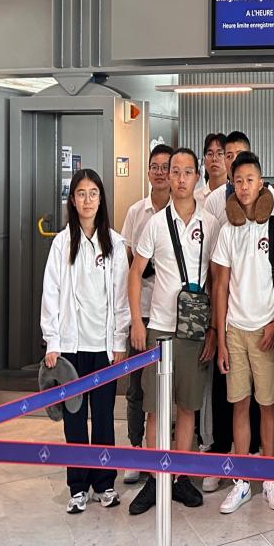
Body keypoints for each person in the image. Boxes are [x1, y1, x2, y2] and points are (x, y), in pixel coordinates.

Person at [128, 147, 219, 515]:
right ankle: (155, 479)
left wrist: (213, 328)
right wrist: (137, 321)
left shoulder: (210, 224)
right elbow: (136, 273)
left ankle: (180, 477)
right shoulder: (155, 223)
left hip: (194, 330)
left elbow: (217, 280)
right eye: (175, 171)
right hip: (160, 328)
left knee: (187, 407)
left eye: (187, 172)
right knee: (154, 409)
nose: (180, 178)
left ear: (197, 177)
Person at [41, 168, 130, 514]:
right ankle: (78, 487)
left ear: (101, 199)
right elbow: (51, 293)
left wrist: (120, 341)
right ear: (73, 200)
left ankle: (105, 484)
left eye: (93, 193)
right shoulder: (62, 243)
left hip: (104, 346)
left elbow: (121, 297)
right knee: (74, 419)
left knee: (104, 417)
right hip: (71, 347)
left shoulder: (115, 243)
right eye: (81, 193)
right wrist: (52, 341)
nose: (88, 200)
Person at [211, 151, 274, 514]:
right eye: (238, 180)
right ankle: (242, 481)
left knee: (268, 405)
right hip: (235, 331)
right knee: (240, 404)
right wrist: (221, 338)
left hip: (265, 330)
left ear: (261, 183)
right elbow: (220, 286)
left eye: (250, 180)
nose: (244, 187)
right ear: (233, 184)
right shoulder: (228, 230)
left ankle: (270, 478)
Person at [119, 143, 172, 484]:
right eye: (155, 166)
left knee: (169, 388)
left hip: (171, 313)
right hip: (142, 311)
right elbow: (128, 265)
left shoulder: (183, 212)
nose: (160, 172)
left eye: (167, 167)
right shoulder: (136, 212)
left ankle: (169, 450)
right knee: (137, 387)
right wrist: (132, 318)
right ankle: (137, 450)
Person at [203, 131, 274, 224]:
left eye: (239, 155)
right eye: (229, 156)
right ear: (224, 160)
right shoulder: (214, 200)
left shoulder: (269, 193)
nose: (234, 160)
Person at [195, 133, 227, 204]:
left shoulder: (236, 195)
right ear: (204, 160)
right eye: (210, 154)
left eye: (220, 154)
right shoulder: (194, 199)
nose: (214, 159)